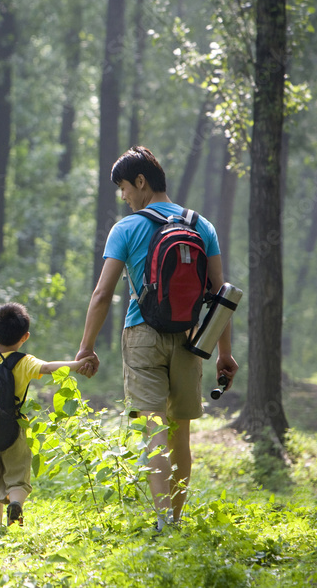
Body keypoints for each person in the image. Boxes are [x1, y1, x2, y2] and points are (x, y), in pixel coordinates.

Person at [76, 146, 239, 531]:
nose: (123, 196)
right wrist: (223, 353)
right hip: (189, 337)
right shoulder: (202, 226)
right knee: (180, 428)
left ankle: (163, 520)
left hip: (142, 334)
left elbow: (102, 294)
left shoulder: (127, 228)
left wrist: (86, 346)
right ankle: (177, 519)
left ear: (141, 181)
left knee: (152, 426)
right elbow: (222, 296)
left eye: (123, 188)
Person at [0, 303, 95, 531]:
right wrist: (77, 364)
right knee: (17, 474)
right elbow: (50, 367)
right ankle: (17, 503)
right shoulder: (25, 362)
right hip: (15, 427)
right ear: (25, 337)